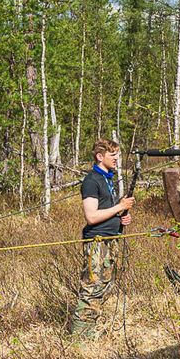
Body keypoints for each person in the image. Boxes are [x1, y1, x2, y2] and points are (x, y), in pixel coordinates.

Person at [72, 138, 133, 339]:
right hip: (96, 243)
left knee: (104, 287)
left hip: (110, 241)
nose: (116, 159)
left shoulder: (109, 179)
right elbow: (91, 216)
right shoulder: (91, 181)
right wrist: (119, 207)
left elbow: (107, 211)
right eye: (112, 155)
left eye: (117, 154)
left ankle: (90, 332)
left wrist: (121, 217)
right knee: (91, 288)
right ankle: (80, 338)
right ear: (100, 157)